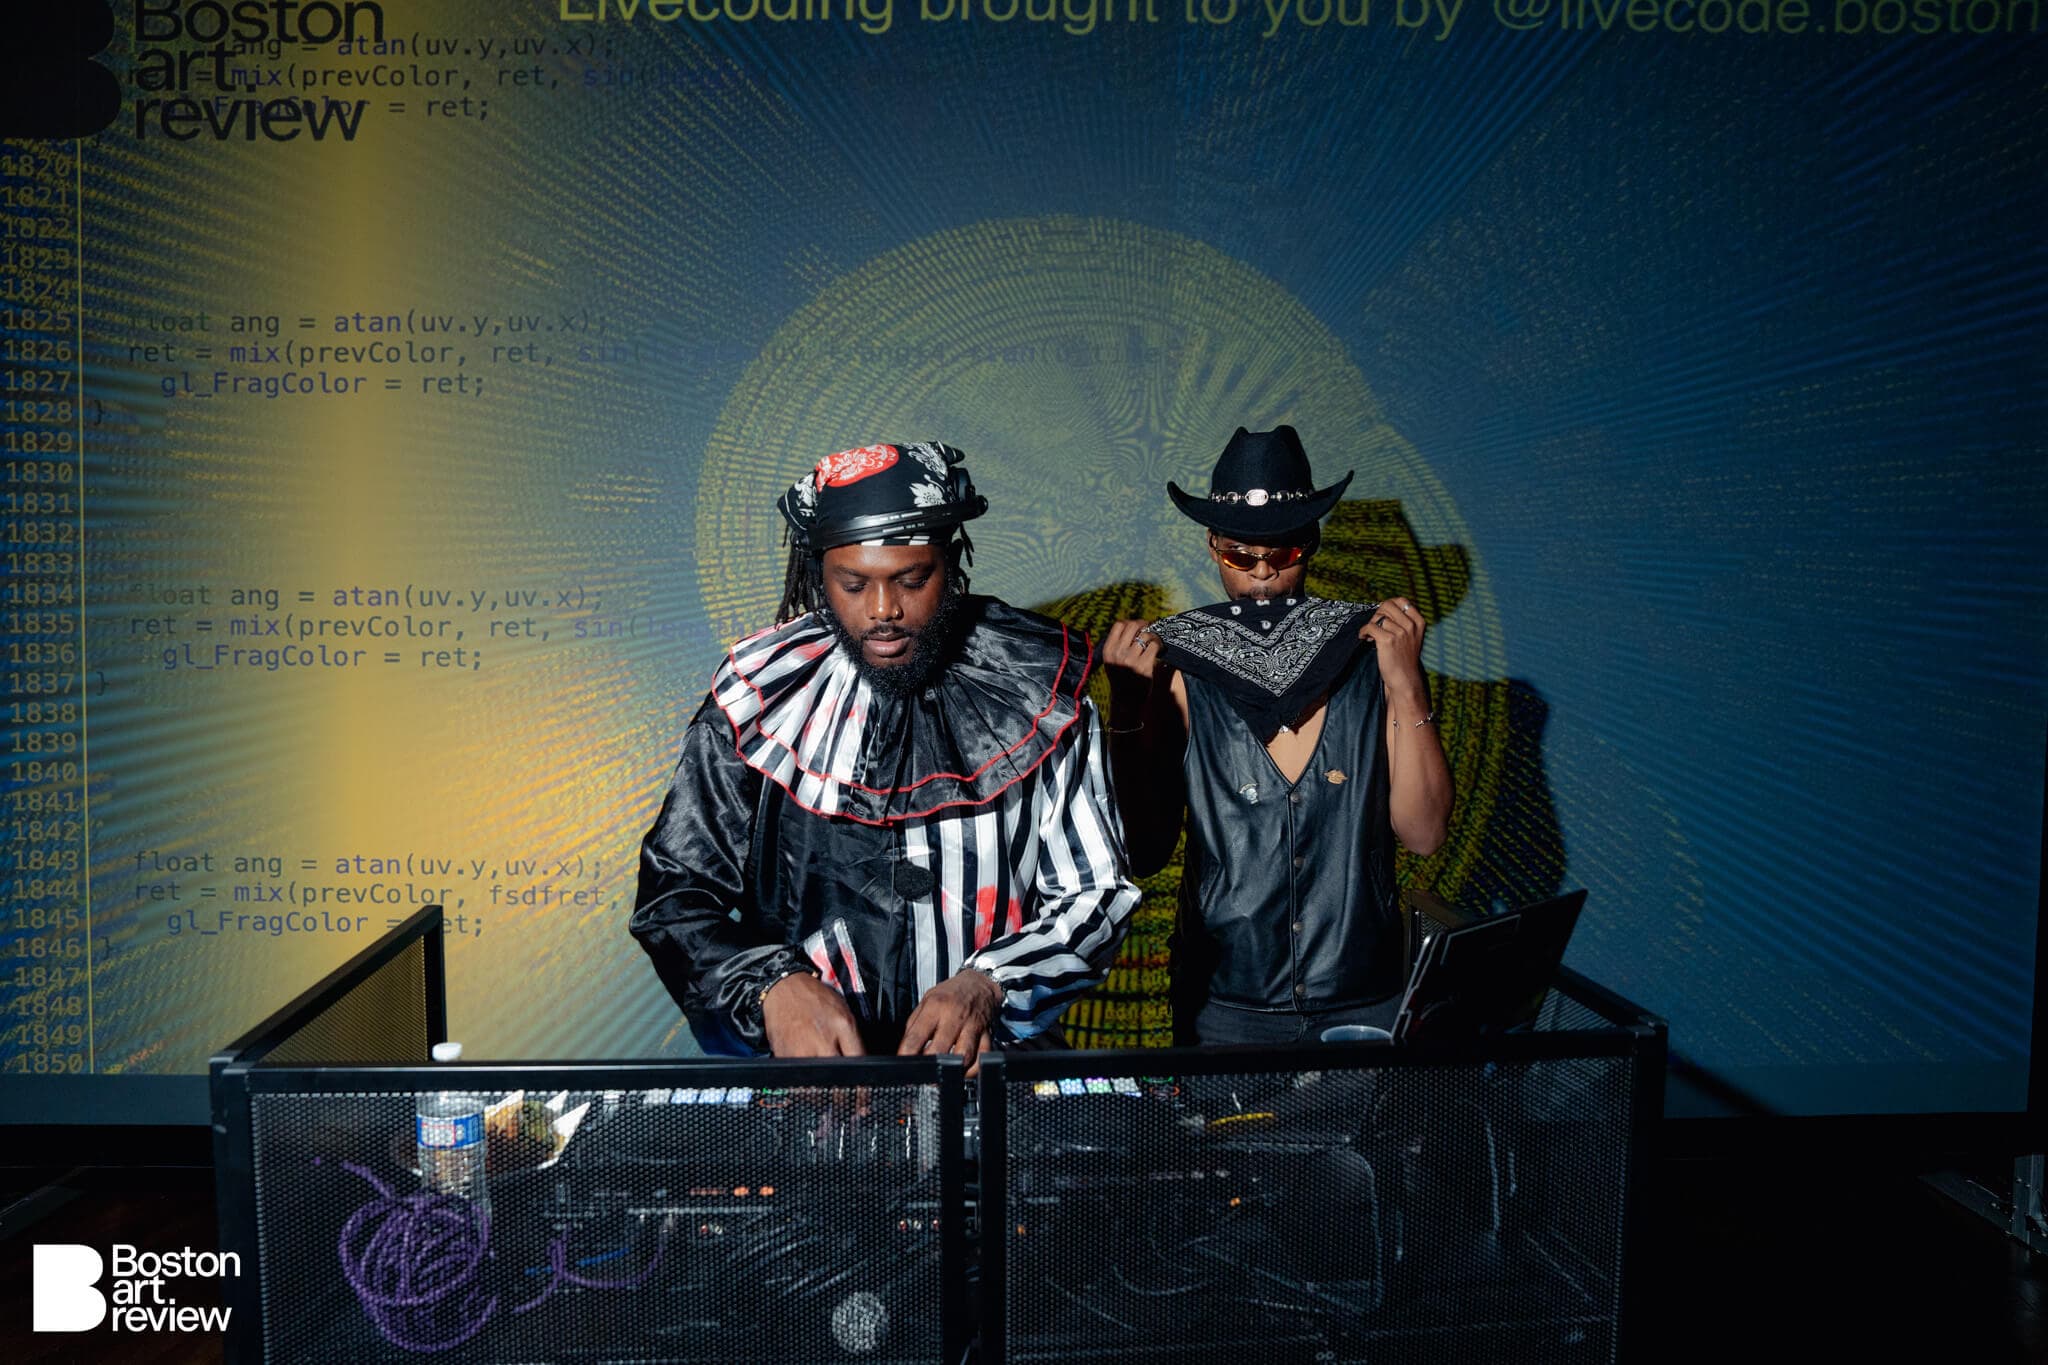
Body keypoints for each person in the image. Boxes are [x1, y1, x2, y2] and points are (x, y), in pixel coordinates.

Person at [631, 440, 1140, 1067]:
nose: (882, 611)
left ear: (951, 564)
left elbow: (1094, 892)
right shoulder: (757, 700)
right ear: (818, 576)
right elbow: (675, 897)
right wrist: (770, 987)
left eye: (912, 579)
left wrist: (992, 983)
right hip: (815, 1092)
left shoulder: (1038, 690)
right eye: (853, 584)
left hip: (993, 1078)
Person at [1101, 426, 1453, 1046]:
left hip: (1362, 994)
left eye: (1283, 553)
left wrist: (1407, 687)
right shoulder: (1181, 671)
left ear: (1310, 543)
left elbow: (1424, 835)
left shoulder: (1371, 658)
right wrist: (1128, 713)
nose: (1262, 575)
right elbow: (1144, 853)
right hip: (1226, 1000)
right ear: (1213, 546)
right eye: (1241, 557)